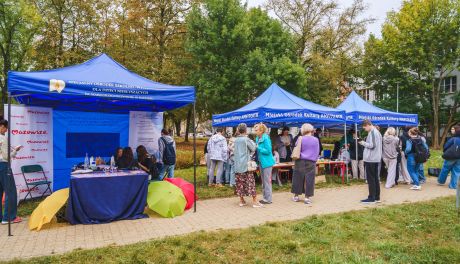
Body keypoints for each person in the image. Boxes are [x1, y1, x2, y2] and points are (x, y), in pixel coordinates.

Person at [233, 123, 263, 208]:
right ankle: (255, 202)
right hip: (246, 165)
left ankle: (242, 201)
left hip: (237, 165)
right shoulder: (246, 139)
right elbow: (253, 148)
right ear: (246, 130)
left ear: (238, 130)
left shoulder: (236, 140)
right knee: (251, 183)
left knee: (240, 183)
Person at [0, 120, 23, 224]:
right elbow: (6, 156)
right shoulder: (3, 139)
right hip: (4, 165)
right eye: (6, 128)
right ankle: (9, 217)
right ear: (1, 126)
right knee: (11, 191)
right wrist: (15, 151)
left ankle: (1, 217)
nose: (7, 130)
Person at [291, 123, 320, 204]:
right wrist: (314, 159)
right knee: (310, 179)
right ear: (311, 130)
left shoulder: (300, 138)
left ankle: (296, 196)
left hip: (300, 160)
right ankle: (307, 198)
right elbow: (317, 151)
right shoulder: (316, 139)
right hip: (311, 161)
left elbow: (296, 147)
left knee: (298, 178)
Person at [359, 119, 382, 204]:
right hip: (375, 158)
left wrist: (362, 143)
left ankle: (371, 198)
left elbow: (372, 145)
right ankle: (377, 197)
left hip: (371, 159)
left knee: (371, 179)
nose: (364, 129)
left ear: (368, 125)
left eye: (364, 127)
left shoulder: (372, 132)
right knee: (375, 178)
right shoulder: (377, 132)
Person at [254, 123, 275, 204]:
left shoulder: (266, 138)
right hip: (261, 162)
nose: (255, 131)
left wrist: (258, 147)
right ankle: (265, 198)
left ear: (261, 130)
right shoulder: (257, 138)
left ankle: (268, 199)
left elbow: (268, 151)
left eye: (256, 130)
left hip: (267, 162)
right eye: (254, 129)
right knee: (263, 181)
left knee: (267, 181)